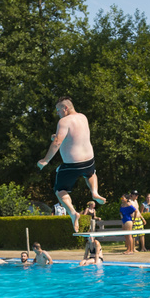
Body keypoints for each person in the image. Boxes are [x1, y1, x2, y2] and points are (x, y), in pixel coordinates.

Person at [37, 96, 106, 233]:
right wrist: (55, 136)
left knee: (59, 190)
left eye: (58, 110)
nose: (58, 113)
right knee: (91, 173)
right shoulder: (83, 117)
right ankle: (95, 192)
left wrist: (45, 160)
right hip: (89, 161)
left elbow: (57, 142)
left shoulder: (64, 121)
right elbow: (75, 137)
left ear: (65, 108)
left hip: (72, 164)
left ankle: (73, 212)